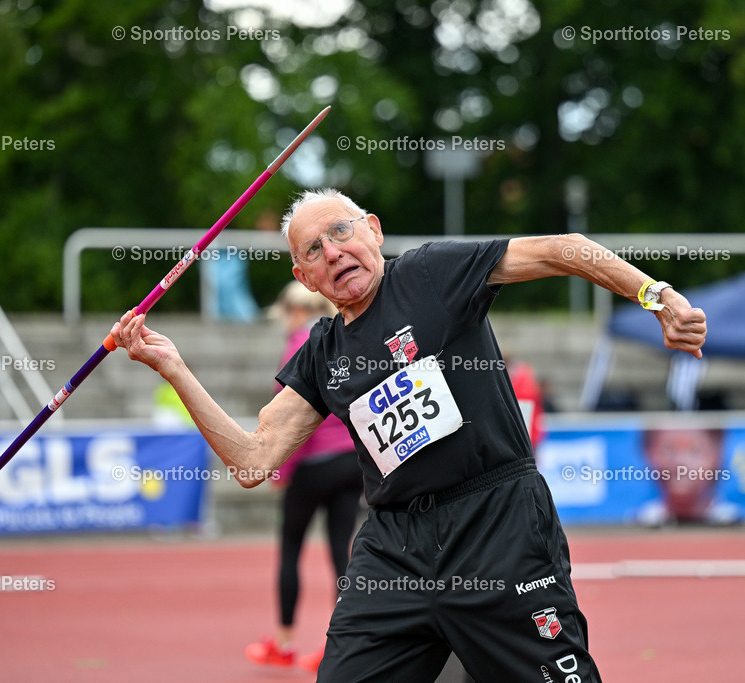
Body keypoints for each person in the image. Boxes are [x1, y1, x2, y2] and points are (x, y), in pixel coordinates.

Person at [109, 189, 707, 681]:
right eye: (314, 250)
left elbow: (565, 250)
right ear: (304, 277)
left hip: (497, 525)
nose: (333, 251)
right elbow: (252, 459)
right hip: (395, 551)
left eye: (341, 232)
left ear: (373, 230)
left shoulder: (432, 275)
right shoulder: (323, 352)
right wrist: (174, 367)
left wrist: (656, 296)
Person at [245, 282, 363, 672]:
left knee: (291, 548)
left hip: (314, 465)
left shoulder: (299, 343)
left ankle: (284, 640)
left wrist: (281, 469)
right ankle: (342, 647)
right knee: (340, 554)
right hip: (350, 461)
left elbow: (290, 419)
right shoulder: (341, 337)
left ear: (294, 310)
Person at [637, 427, 739, 525]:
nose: (680, 463)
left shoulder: (738, 523)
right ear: (649, 453)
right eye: (669, 449)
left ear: (717, 455)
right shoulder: (638, 523)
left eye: (695, 451)